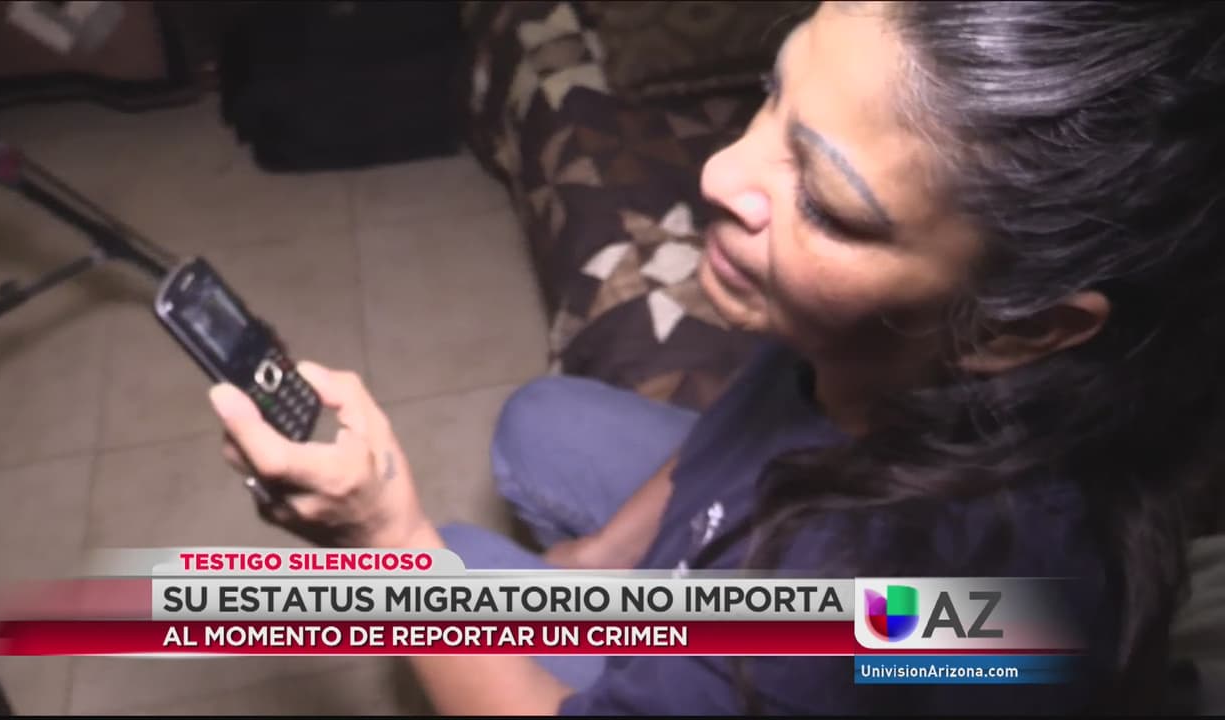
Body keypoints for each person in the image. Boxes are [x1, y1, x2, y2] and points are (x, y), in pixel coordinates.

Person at [207, 1, 1225, 714]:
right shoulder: (884, 349)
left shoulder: (891, 600)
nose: (717, 171)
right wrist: (595, 567)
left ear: (1015, 329)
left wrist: (383, 543)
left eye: (826, 203)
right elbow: (757, 415)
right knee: (538, 423)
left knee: (455, 567)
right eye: (773, 97)